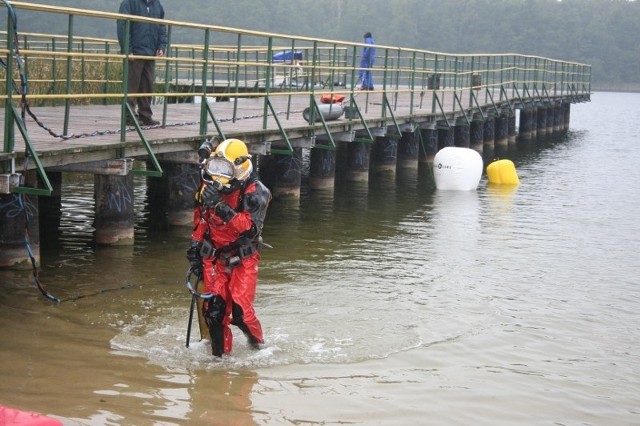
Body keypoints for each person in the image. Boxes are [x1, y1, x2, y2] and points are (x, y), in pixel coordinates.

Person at [186, 138, 272, 357]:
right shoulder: (207, 188)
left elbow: (250, 229)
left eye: (225, 170)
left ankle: (258, 347)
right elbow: (201, 218)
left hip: (243, 258)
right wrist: (196, 248)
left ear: (239, 168)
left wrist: (220, 206)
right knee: (214, 313)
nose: (218, 177)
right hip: (214, 257)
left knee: (240, 312)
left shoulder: (256, 192)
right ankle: (219, 361)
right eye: (215, 168)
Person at [117, 0, 167, 126]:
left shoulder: (157, 5)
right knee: (132, 86)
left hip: (150, 52)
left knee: (147, 85)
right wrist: (127, 50)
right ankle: (129, 116)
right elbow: (123, 26)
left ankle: (145, 115)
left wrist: (161, 46)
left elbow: (161, 27)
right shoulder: (129, 3)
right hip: (135, 52)